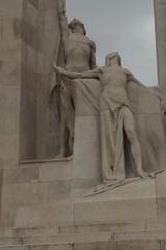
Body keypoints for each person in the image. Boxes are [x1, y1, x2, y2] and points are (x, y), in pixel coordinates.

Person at [55, 52, 152, 184]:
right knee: (110, 140)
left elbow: (140, 85)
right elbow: (80, 75)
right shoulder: (102, 70)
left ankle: (140, 170)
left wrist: (155, 95)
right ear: (108, 59)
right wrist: (63, 72)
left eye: (115, 55)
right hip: (106, 103)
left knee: (131, 132)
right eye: (111, 55)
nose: (114, 55)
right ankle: (113, 172)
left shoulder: (125, 72)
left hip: (123, 103)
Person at [50, 0, 98, 157]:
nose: (77, 23)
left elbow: (94, 67)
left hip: (84, 80)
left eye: (79, 23)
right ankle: (63, 150)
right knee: (65, 116)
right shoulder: (67, 37)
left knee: (83, 117)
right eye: (75, 23)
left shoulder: (90, 43)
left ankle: (83, 151)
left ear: (83, 29)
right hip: (67, 80)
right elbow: (61, 13)